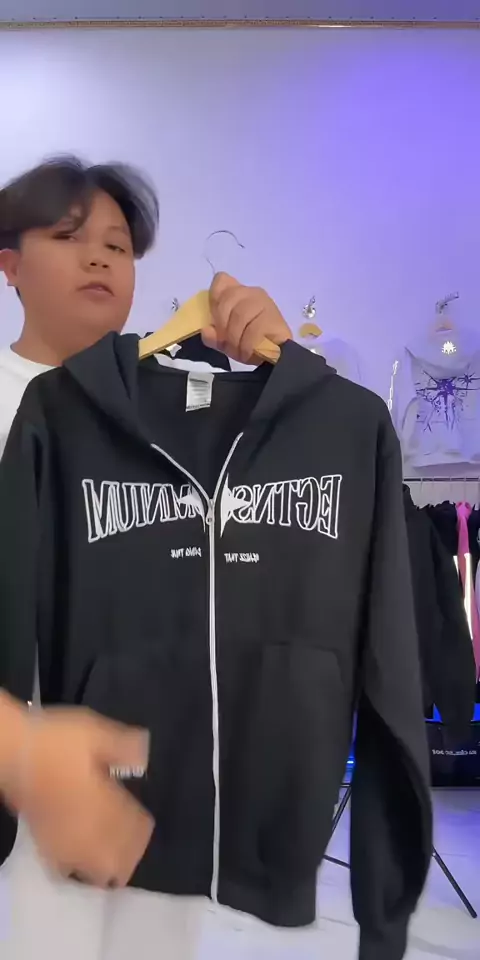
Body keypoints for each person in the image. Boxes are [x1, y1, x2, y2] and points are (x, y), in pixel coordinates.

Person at [0, 156, 291, 951]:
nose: (99, 258)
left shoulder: (186, 412)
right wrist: (20, 747)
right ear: (10, 266)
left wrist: (276, 372)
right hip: (25, 791)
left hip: (157, 781)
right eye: (69, 237)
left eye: (118, 246)